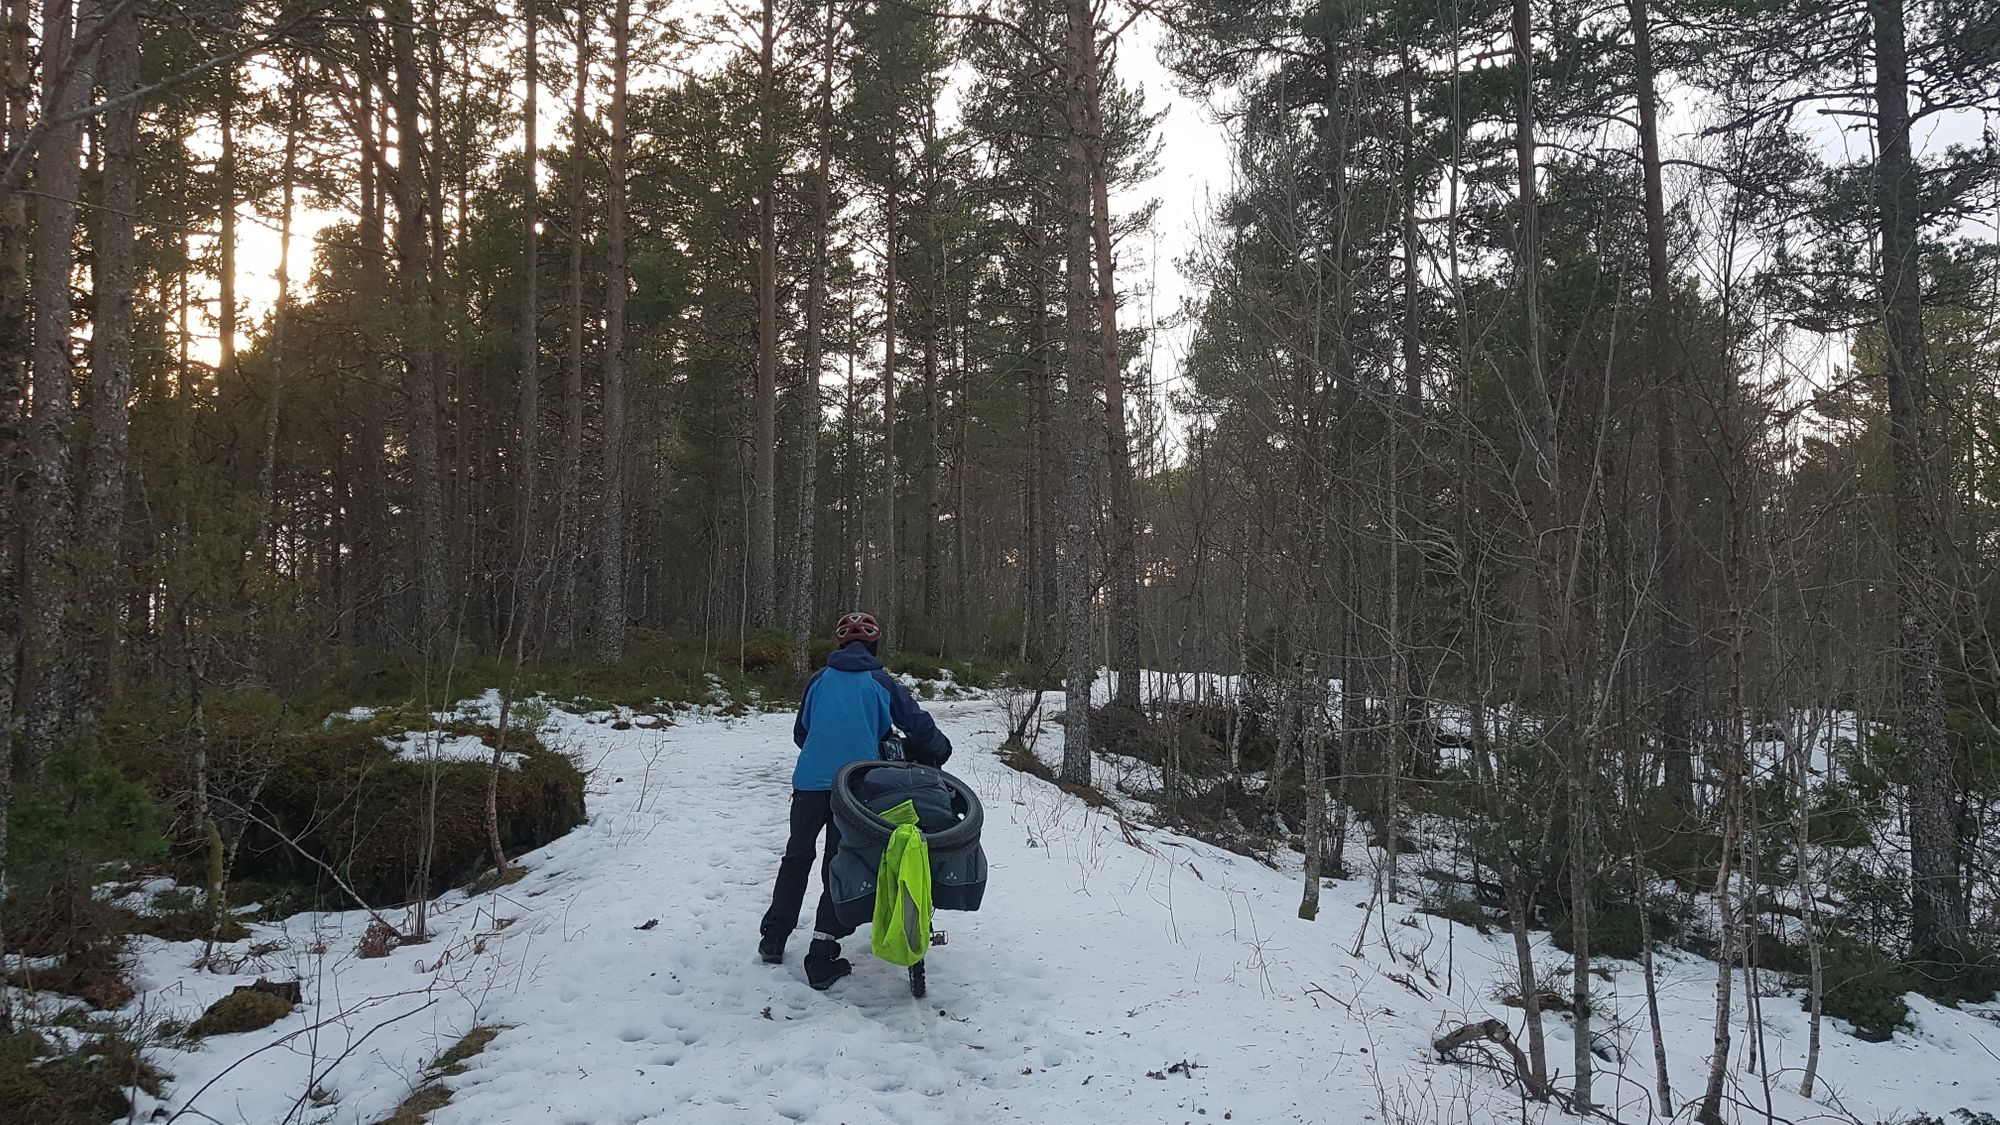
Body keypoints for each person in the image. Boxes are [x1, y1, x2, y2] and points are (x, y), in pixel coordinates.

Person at [759, 611, 953, 989]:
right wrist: (938, 748)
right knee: (839, 862)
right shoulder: (880, 680)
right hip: (851, 787)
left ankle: (773, 938)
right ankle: (822, 955)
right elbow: (916, 723)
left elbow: (802, 732)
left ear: (840, 644)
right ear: (874, 645)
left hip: (809, 782)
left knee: (796, 856)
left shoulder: (818, 679)